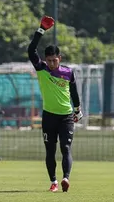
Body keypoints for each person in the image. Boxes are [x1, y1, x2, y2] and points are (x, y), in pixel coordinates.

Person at [27, 16, 83, 192]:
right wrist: (41, 30)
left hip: (66, 116)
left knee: (65, 147)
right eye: (49, 60)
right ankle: (54, 182)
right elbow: (30, 51)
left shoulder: (68, 73)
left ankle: (66, 178)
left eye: (54, 60)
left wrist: (77, 109)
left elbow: (73, 92)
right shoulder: (42, 69)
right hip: (49, 116)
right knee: (50, 151)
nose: (51, 63)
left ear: (60, 58)